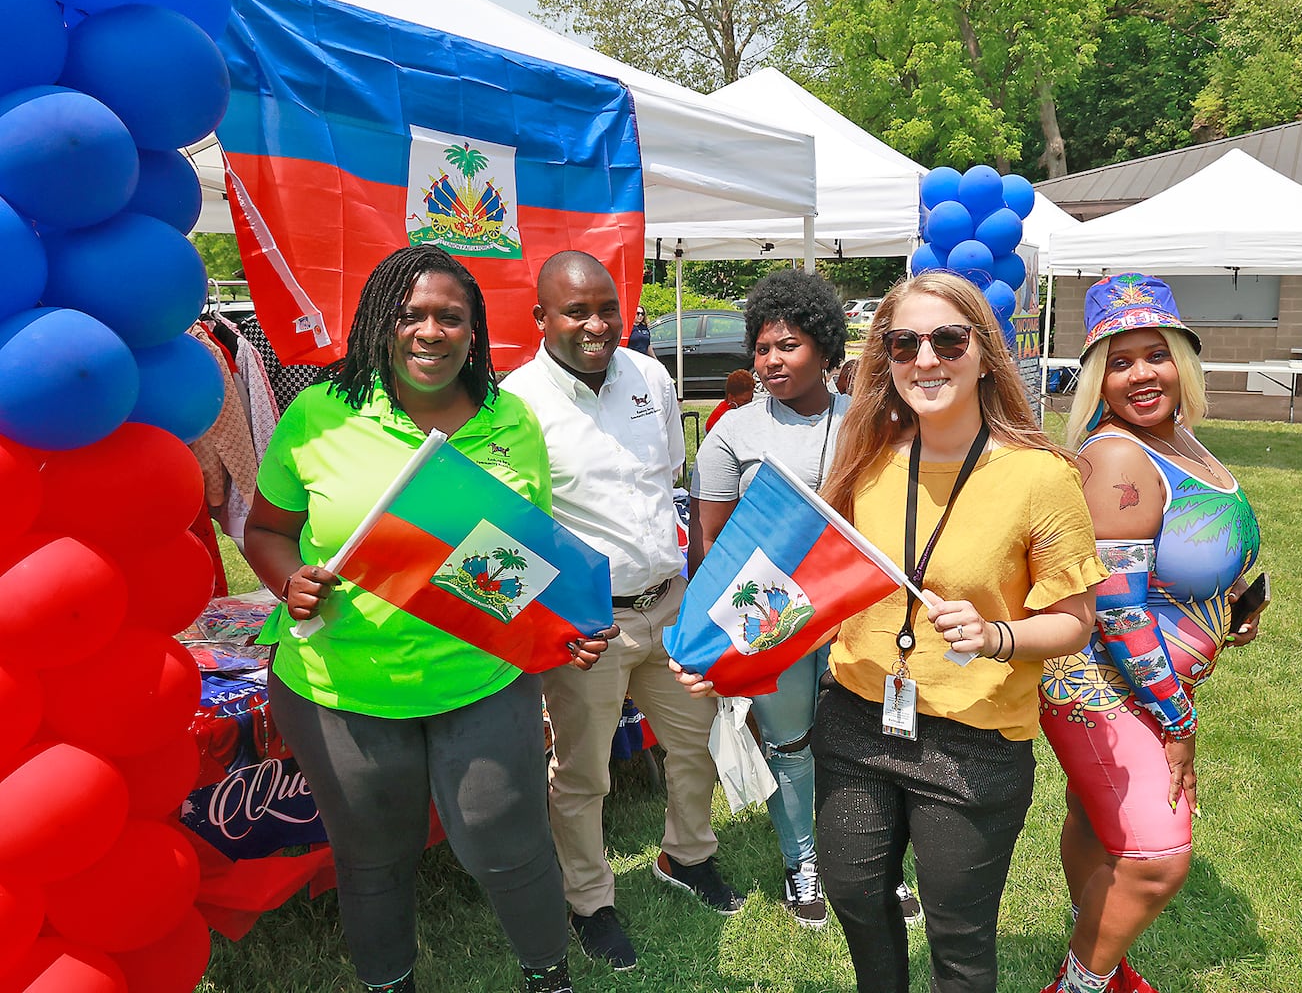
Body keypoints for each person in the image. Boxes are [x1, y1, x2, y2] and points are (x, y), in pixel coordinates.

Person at [244, 245, 615, 993]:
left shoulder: (512, 421)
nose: (430, 331)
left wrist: (564, 623)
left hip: (479, 678)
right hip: (339, 686)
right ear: (381, 323)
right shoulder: (321, 415)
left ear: (475, 333)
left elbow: (524, 558)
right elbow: (265, 532)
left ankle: (548, 975)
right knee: (374, 857)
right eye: (411, 315)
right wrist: (290, 582)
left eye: (451, 317)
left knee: (507, 843)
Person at [811, 272, 1105, 993]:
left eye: (948, 339)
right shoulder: (864, 458)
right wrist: (729, 655)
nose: (926, 359)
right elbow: (809, 586)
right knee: (852, 895)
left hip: (973, 740)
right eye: (905, 343)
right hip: (855, 719)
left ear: (984, 353)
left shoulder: (1039, 477)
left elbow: (1076, 622)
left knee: (959, 939)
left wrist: (996, 635)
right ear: (884, 357)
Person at [501, 251, 742, 973]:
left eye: (608, 307)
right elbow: (509, 532)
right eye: (577, 311)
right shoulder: (515, 404)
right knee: (584, 775)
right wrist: (552, 621)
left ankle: (686, 855)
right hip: (589, 627)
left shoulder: (651, 377)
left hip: (668, 605)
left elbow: (666, 481)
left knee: (695, 745)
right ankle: (589, 901)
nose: (597, 323)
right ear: (540, 318)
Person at [678, 269, 920, 929]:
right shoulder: (731, 433)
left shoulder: (872, 423)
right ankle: (802, 859)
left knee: (871, 741)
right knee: (790, 744)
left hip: (854, 611)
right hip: (770, 617)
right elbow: (711, 544)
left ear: (824, 346)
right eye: (760, 348)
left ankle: (882, 864)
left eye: (786, 346)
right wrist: (716, 638)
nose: (769, 361)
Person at [1041, 273, 1263, 993]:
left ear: (1183, 360)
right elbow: (1119, 612)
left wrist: (1245, 590)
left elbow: (1201, 541)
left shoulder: (1183, 442)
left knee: (1098, 820)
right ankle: (1080, 983)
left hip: (1150, 685)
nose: (1141, 374)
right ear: (1096, 379)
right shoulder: (1118, 458)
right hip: (1104, 686)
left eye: (1155, 355)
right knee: (1157, 857)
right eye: (1120, 360)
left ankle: (1102, 960)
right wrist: (1177, 721)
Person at [704, 368, 755, 433]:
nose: (749, 404)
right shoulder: (722, 418)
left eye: (751, 400)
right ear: (731, 397)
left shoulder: (729, 409)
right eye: (745, 401)